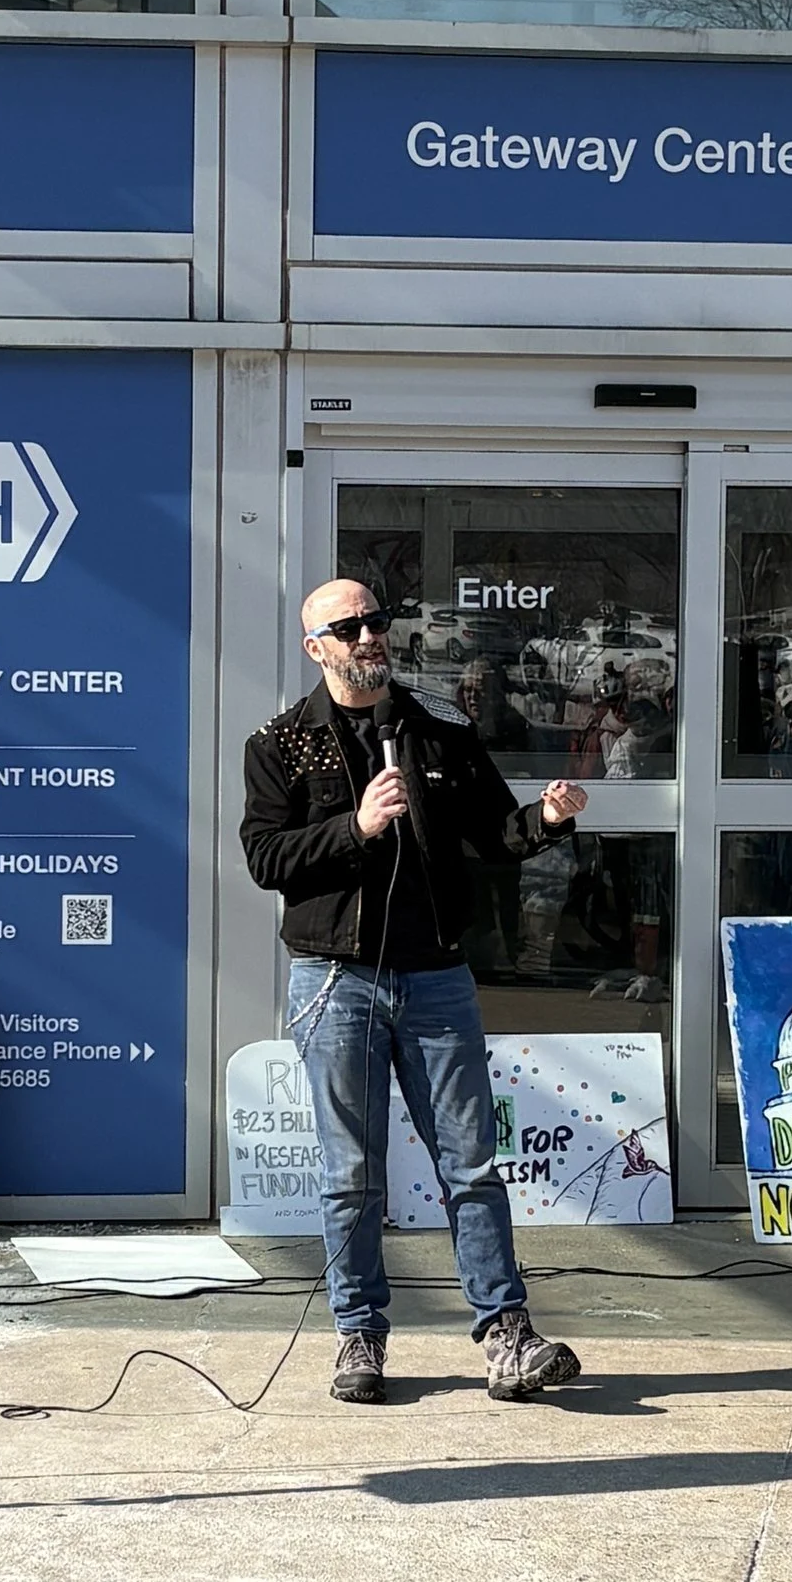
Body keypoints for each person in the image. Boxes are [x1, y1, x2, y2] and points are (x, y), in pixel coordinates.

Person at [241, 579, 590, 1406]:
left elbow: (495, 834)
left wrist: (547, 818)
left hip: (435, 975)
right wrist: (355, 827)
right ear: (316, 647)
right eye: (348, 627)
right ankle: (359, 1334)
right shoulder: (281, 743)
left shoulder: (438, 726)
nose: (368, 636)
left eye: (375, 621)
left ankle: (507, 1335)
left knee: (471, 1163)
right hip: (336, 978)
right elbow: (266, 857)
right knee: (352, 1173)